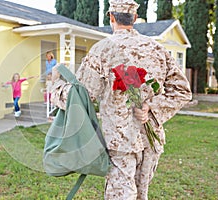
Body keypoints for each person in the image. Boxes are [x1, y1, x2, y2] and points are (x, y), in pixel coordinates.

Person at [51, 0, 192, 199]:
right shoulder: (158, 49)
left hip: (120, 142)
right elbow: (182, 91)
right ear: (134, 18)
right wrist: (150, 108)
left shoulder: (102, 49)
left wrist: (56, 85)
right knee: (140, 194)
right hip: (151, 142)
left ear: (111, 17)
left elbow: (81, 97)